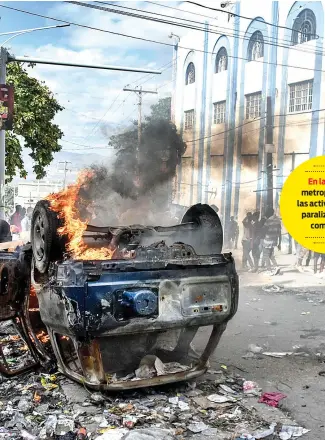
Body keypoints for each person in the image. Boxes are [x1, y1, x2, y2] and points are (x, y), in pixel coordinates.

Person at [261, 208, 281, 275]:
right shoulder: (278, 220)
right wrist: (279, 242)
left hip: (268, 240)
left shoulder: (268, 220)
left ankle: (269, 270)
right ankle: (276, 266)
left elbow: (263, 230)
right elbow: (279, 232)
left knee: (266, 255)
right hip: (274, 240)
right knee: (271, 255)